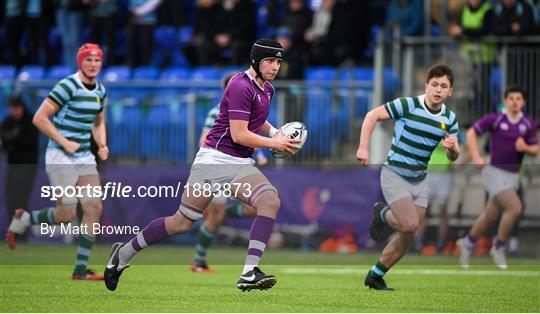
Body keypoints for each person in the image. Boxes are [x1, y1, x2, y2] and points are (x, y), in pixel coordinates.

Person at [104, 39, 300, 292]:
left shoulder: (268, 89)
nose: (275, 67)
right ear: (255, 61)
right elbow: (239, 134)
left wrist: (276, 131)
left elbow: (257, 119)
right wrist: (274, 143)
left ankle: (249, 272)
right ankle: (124, 254)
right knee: (181, 223)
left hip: (240, 163)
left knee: (270, 201)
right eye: (270, 61)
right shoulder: (240, 85)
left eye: (278, 62)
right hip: (214, 161)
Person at [6, 43, 109, 280]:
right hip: (60, 155)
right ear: (79, 62)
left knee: (94, 208)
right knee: (66, 214)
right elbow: (39, 118)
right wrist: (64, 141)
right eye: (88, 60)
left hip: (84, 155)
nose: (93, 65)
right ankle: (26, 218)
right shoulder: (67, 86)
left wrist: (102, 144)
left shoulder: (100, 90)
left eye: (97, 61)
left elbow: (98, 122)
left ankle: (80, 269)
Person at [357, 64, 460, 290]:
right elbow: (371, 116)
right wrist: (364, 147)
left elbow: (454, 155)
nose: (438, 90)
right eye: (434, 84)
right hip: (395, 173)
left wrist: (453, 149)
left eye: (444, 86)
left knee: (409, 234)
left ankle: (376, 274)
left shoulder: (450, 119)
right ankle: (382, 213)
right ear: (426, 86)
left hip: (420, 179)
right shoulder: (409, 104)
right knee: (410, 224)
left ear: (450, 91)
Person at [457, 86, 538, 269]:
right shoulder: (495, 119)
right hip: (494, 172)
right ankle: (499, 247)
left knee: (490, 215)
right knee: (515, 208)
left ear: (523, 102)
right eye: (511, 98)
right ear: (506, 100)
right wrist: (477, 156)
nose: (515, 101)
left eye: (518, 98)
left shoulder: (527, 124)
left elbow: (535, 149)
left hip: (513, 176)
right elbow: (471, 133)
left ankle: (467, 243)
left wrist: (525, 148)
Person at [189, 73, 262, 273]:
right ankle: (199, 261)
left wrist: (261, 151)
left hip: (235, 166)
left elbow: (249, 135)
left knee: (257, 206)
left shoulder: (246, 112)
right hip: (218, 166)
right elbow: (204, 139)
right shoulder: (216, 112)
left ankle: (218, 216)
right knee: (188, 220)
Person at [1, 95, 39, 219]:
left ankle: (21, 230)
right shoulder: (8, 121)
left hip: (27, 165)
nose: (14, 111)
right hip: (13, 164)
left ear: (22, 107)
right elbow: (3, 142)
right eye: (12, 108)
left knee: (22, 198)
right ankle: (12, 230)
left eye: (16, 107)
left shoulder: (30, 120)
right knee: (11, 197)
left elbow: (31, 141)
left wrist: (12, 139)